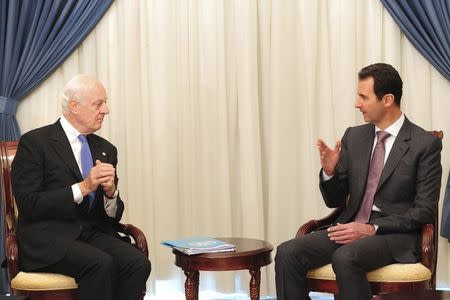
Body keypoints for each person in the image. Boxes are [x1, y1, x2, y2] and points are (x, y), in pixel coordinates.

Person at [275, 63, 442, 300]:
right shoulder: (354, 137)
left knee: (346, 257)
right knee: (287, 252)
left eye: (364, 97)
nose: (357, 103)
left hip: (393, 235)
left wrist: (372, 228)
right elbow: (334, 200)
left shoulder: (424, 144)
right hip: (349, 226)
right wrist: (330, 172)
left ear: (387, 100)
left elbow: (424, 211)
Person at [11, 75, 151, 300]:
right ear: (74, 107)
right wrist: (83, 187)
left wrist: (110, 193)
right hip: (47, 238)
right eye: (99, 104)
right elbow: (28, 204)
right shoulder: (35, 143)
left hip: (90, 234)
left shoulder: (106, 149)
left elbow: (112, 216)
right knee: (100, 264)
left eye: (105, 103)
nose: (106, 110)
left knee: (138, 263)